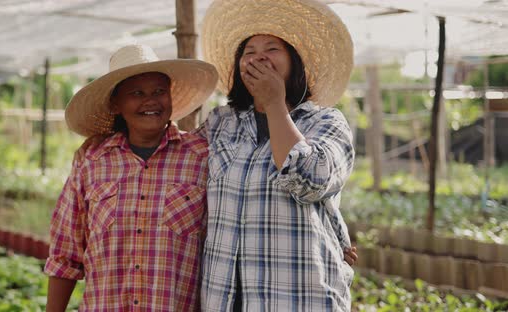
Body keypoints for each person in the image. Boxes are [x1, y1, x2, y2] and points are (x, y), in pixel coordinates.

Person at [198, 0, 357, 310]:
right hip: (223, 298)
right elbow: (181, 176)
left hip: (299, 297)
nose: (259, 57)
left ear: (294, 62)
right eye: (249, 51)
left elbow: (312, 180)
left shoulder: (324, 121)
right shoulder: (219, 122)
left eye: (272, 49)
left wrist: (274, 103)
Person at [44, 44, 218, 311]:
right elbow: (65, 252)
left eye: (159, 91)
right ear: (116, 104)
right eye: (137, 93)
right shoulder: (92, 160)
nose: (150, 101)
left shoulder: (200, 157)